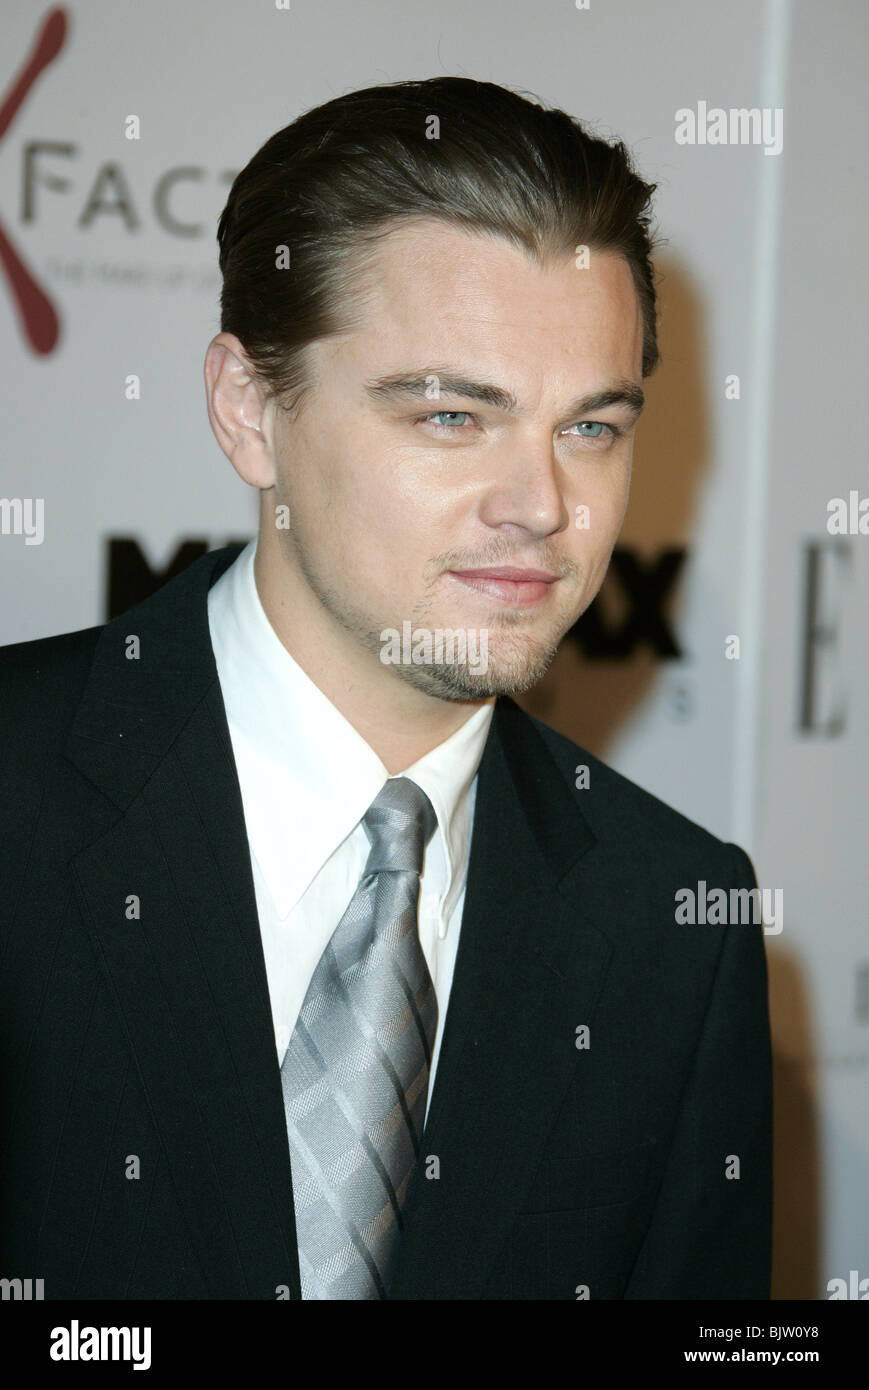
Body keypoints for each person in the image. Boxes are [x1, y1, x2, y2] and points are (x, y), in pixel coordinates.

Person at [0, 76, 771, 1299]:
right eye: (455, 417)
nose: (542, 506)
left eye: (591, 428)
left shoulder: (672, 921)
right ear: (250, 411)